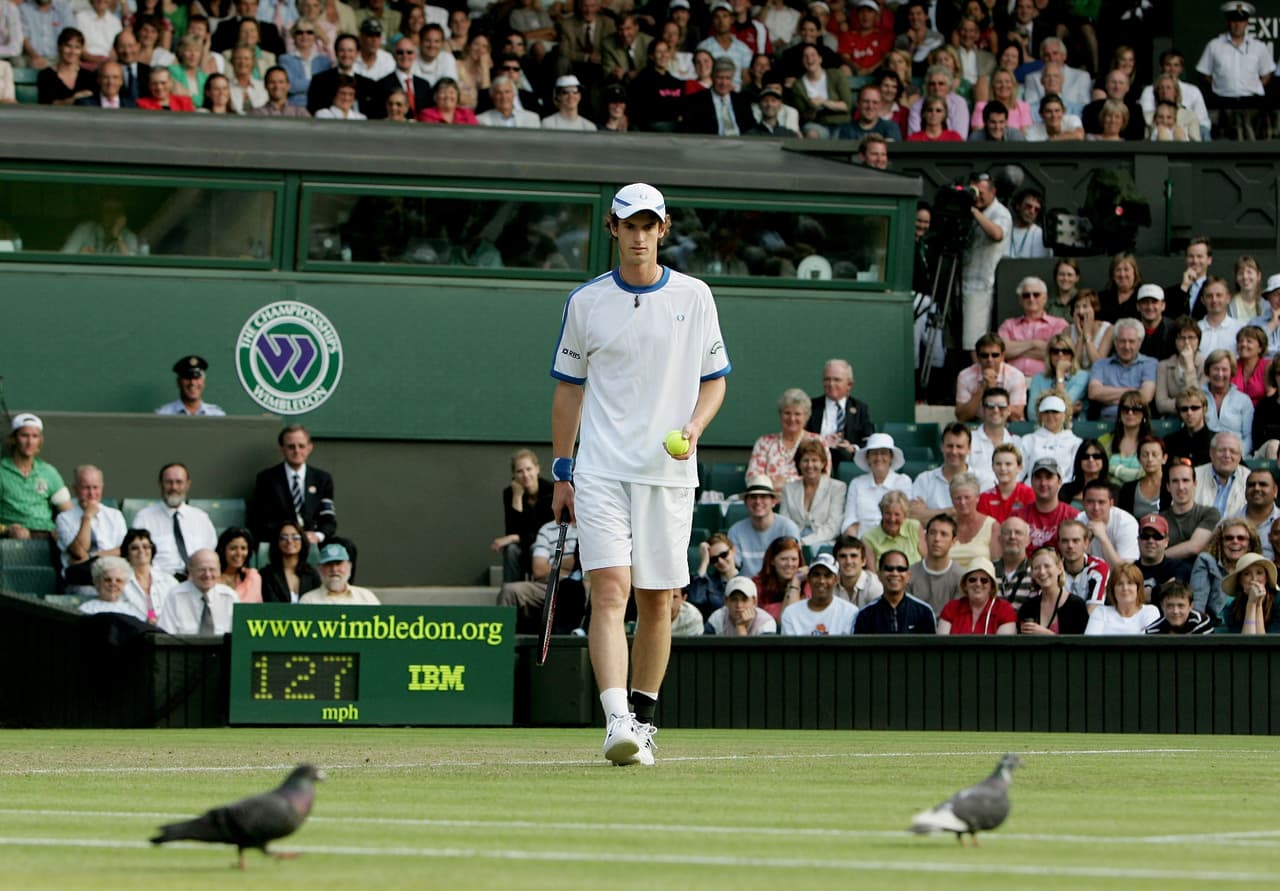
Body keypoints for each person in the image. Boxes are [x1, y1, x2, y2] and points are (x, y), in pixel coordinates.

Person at [550, 182, 729, 767]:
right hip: (600, 471)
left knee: (657, 602)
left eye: (648, 225)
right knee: (609, 592)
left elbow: (715, 380)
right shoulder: (585, 303)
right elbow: (567, 394)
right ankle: (616, 721)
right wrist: (562, 471)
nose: (638, 235)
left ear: (663, 229)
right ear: (613, 230)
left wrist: (696, 428)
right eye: (629, 225)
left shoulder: (696, 296)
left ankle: (644, 720)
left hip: (668, 475)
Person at [1196, 1, 1273, 141]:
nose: (1237, 25)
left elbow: (1267, 73)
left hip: (1252, 102)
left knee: (1255, 143)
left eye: (1241, 21)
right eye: (1234, 20)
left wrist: (1256, 86)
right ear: (1228, 22)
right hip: (1223, 101)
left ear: (1246, 23)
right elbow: (1204, 72)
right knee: (1224, 143)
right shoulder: (1214, 45)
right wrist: (1218, 86)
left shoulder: (1259, 46)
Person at [131, 463, 218, 577]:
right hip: (159, 583)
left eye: (179, 482)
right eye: (168, 482)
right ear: (160, 484)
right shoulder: (144, 518)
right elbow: (136, 557)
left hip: (196, 581)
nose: (174, 487)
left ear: (188, 485)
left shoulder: (201, 519)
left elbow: (210, 555)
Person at [497, 517, 580, 634]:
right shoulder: (548, 529)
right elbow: (539, 570)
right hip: (548, 585)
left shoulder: (590, 527)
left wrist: (555, 563)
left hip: (580, 586)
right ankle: (502, 644)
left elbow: (582, 563)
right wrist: (569, 563)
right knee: (509, 590)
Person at [958, 174, 1011, 353]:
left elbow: (997, 234)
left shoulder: (1000, 212)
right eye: (973, 192)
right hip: (960, 282)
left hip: (981, 286)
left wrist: (974, 212)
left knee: (974, 342)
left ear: (993, 192)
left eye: (981, 193)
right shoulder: (967, 210)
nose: (977, 197)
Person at [54, 464, 127, 590]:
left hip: (113, 577)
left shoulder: (115, 516)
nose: (91, 493)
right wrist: (87, 517)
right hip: (82, 580)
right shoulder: (64, 519)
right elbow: (79, 552)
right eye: (86, 488)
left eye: (95, 487)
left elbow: (124, 550)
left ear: (102, 488)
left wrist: (93, 556)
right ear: (75, 489)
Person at [1, 413, 71, 540]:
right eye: (24, 436)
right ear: (14, 439)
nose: (29, 442)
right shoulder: (2, 471)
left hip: (47, 533)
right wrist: (6, 529)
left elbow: (68, 512)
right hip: (14, 538)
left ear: (40, 441)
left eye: (35, 436)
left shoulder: (48, 472)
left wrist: (62, 530)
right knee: (21, 536)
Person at [747, 388, 827, 491]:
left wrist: (783, 483)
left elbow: (823, 478)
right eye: (787, 413)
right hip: (768, 503)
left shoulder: (818, 442)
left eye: (797, 414)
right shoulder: (764, 443)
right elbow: (753, 478)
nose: (792, 419)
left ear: (806, 416)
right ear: (780, 414)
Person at [805, 358, 874, 473]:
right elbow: (800, 436)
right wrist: (822, 441)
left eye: (837, 380)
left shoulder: (860, 408)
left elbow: (869, 438)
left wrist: (852, 448)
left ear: (849, 384)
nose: (831, 384)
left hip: (847, 461)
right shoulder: (811, 406)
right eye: (827, 379)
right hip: (815, 460)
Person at [728, 475, 801, 578]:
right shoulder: (735, 531)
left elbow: (793, 567)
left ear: (773, 502)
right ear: (745, 502)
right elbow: (733, 567)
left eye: (763, 496)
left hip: (778, 587)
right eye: (753, 497)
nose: (758, 501)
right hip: (746, 589)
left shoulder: (788, 528)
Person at [780, 439, 846, 549]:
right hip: (794, 541)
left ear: (823, 463)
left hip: (823, 541)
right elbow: (784, 523)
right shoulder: (788, 489)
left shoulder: (837, 488)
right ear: (799, 464)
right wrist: (794, 542)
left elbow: (833, 527)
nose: (810, 465)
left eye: (814, 460)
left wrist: (804, 542)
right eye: (805, 460)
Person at [1190, 518, 1258, 623]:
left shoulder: (1258, 566)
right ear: (1220, 542)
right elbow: (1198, 605)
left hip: (1248, 628)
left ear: (1250, 544)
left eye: (1241, 538)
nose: (1235, 541)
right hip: (1214, 629)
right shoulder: (1206, 561)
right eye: (1228, 538)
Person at [999, 276, 1068, 380]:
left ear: (1045, 298)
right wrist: (1034, 343)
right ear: (1020, 300)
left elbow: (1057, 354)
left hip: (1046, 381)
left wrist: (1016, 351)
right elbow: (1001, 352)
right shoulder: (1008, 325)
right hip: (1011, 381)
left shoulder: (1059, 324)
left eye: (1036, 295)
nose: (1031, 299)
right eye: (1026, 295)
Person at [1088, 318, 1156, 422]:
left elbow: (1146, 396)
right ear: (1115, 342)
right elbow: (1094, 392)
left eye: (1131, 341)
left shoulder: (1150, 363)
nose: (1126, 346)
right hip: (1107, 422)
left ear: (1140, 343)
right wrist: (1133, 391)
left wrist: (1109, 398)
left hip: (1138, 423)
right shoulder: (1100, 364)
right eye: (1122, 341)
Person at [853, 549, 937, 633]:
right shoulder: (865, 615)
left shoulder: (924, 612)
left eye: (901, 569)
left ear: (908, 576)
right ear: (879, 575)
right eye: (889, 568)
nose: (895, 573)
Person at [158, 549, 239, 634]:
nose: (207, 575)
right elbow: (166, 635)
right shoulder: (175, 596)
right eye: (202, 569)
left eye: (212, 569)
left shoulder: (230, 597)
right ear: (190, 571)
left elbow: (239, 635)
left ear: (219, 570)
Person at [908, 422, 974, 521]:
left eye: (959, 447)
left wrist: (928, 513)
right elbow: (913, 517)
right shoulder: (924, 480)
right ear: (942, 446)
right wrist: (951, 511)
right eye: (950, 446)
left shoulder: (983, 480)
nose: (954, 452)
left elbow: (977, 521)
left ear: (969, 449)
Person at [955, 333, 1027, 423]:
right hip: (977, 424)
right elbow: (962, 417)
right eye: (984, 355)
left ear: (1002, 356)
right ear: (977, 357)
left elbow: (1016, 417)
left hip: (1007, 425)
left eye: (995, 355)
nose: (990, 359)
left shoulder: (1016, 376)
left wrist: (994, 390)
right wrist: (981, 389)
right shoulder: (965, 376)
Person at [779, 553, 857, 635]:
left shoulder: (849, 612)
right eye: (816, 575)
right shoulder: (791, 613)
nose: (822, 581)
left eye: (827, 576)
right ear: (808, 579)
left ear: (836, 580)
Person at [1018, 546, 1089, 635]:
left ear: (1059, 568)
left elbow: (1080, 646)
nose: (1042, 572)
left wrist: (1047, 635)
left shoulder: (1076, 606)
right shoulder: (1028, 608)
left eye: (1047, 566)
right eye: (1036, 568)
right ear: (1032, 573)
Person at [1161, 456, 1220, 562]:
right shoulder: (1160, 520)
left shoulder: (1209, 513)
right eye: (1175, 481)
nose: (1181, 487)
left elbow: (1194, 547)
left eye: (1185, 480)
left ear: (1195, 484)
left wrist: (1158, 557)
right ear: (1168, 487)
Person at [938, 557, 1017, 635]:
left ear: (991, 586)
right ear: (965, 585)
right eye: (972, 580)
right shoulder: (951, 608)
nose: (978, 584)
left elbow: (1003, 646)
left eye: (984, 580)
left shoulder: (1004, 610)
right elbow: (942, 644)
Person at [1013, 457, 1077, 553]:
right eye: (1038, 477)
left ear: (1059, 482)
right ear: (1031, 482)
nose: (1043, 483)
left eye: (1049, 477)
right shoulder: (1018, 516)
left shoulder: (1073, 516)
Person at [907, 513, 964, 615]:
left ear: (953, 541)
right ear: (925, 537)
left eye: (944, 534)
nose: (937, 539)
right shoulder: (909, 574)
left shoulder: (961, 577)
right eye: (932, 533)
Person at [1018, 394, 1081, 485]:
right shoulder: (1028, 440)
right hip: (1032, 492)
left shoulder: (1076, 442)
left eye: (1055, 412)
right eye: (1046, 412)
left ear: (1064, 414)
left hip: (1063, 493)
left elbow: (1073, 474)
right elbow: (1019, 472)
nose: (1050, 416)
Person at [967, 387, 1022, 491]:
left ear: (1009, 410)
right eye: (990, 406)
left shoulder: (1017, 442)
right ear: (983, 410)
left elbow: (1020, 476)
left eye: (1001, 407)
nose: (996, 410)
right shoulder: (968, 440)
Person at [1085, 562, 1160, 634]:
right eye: (1119, 584)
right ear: (1112, 589)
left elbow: (1152, 643)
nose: (1125, 588)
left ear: (1138, 588)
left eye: (1130, 583)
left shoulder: (1150, 612)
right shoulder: (1100, 612)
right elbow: (1090, 644)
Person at [1078, 478, 1140, 565]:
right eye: (1090, 502)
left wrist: (1103, 538)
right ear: (1083, 503)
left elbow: (1124, 571)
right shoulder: (1079, 521)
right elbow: (1076, 564)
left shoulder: (1126, 523)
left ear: (1111, 503)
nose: (1096, 508)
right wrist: (1087, 539)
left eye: (1101, 502)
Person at [1027, 335, 1089, 422]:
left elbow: (1062, 406)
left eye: (1065, 351)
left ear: (1072, 355)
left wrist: (1060, 375)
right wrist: (1071, 410)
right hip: (1042, 429)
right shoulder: (1038, 378)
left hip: (1074, 428)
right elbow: (1032, 413)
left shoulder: (1082, 376)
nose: (1060, 354)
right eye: (1055, 351)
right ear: (1049, 355)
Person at [120, 528, 174, 624]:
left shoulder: (168, 580)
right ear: (127, 553)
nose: (141, 551)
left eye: (146, 547)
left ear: (152, 550)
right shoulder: (120, 581)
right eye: (134, 548)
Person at [1155, 319, 1207, 418]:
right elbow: (1161, 404)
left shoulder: (1205, 364)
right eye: (1181, 338)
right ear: (1175, 341)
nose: (1186, 342)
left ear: (1198, 340)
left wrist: (1189, 365)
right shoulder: (1164, 366)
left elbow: (1199, 401)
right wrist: (1186, 405)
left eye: (1191, 337)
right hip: (1171, 420)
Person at [1218, 551, 1280, 634]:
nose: (1254, 579)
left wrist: (1258, 605)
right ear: (1240, 581)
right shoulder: (1232, 609)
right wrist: (1251, 604)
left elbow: (1264, 643)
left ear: (1266, 578)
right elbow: (1247, 642)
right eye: (1247, 574)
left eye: (1259, 573)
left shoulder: (1278, 601)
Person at [301, 541, 380, 604]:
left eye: (338, 563)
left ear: (349, 566)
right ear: (319, 569)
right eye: (328, 564)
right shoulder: (308, 601)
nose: (334, 569)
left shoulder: (367, 597)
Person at [259, 521, 320, 604]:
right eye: (284, 537)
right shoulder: (266, 575)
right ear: (277, 542)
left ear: (302, 541)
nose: (289, 541)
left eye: (295, 537)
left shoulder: (312, 574)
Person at [1100, 391, 1152, 487]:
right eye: (1125, 409)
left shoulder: (1152, 443)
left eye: (1136, 409)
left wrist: (1115, 470)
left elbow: (1149, 473)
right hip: (1109, 492)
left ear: (1144, 414)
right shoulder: (1104, 440)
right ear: (1120, 413)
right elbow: (1099, 467)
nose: (1130, 413)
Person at [1196, 431, 1250, 522]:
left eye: (1233, 451)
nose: (1227, 455)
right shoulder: (1195, 475)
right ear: (1211, 453)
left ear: (1240, 456)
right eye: (1221, 450)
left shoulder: (1250, 479)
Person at [752, 535, 807, 622]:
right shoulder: (757, 585)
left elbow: (794, 620)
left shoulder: (807, 584)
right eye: (784, 559)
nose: (789, 564)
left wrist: (796, 581)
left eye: (794, 559)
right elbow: (785, 621)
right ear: (772, 561)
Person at [1056, 518, 1109, 608]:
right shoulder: (1052, 569)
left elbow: (1093, 610)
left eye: (1075, 541)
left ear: (1086, 543)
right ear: (1059, 544)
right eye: (1065, 541)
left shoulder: (1098, 567)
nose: (1070, 546)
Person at [978, 443, 1034, 523]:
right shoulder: (984, 498)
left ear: (1019, 467)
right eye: (998, 464)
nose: (1003, 468)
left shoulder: (1029, 494)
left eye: (1008, 464)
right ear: (992, 467)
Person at [687, 532, 738, 619]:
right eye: (714, 559)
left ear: (733, 550)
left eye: (723, 555)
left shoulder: (748, 577)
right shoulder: (709, 582)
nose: (720, 561)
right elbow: (695, 601)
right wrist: (704, 562)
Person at [1163, 236, 1214, 321]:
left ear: (1209, 260)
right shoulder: (1171, 292)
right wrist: (1184, 287)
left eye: (1199, 256)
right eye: (1191, 256)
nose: (1195, 261)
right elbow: (1170, 317)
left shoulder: (1215, 290)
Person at [155, 355, 225, 416]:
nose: (192, 383)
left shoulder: (216, 415)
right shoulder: (164, 415)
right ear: (178, 382)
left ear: (203, 382)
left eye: (197, 377)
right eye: (188, 377)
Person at [705, 575, 776, 635]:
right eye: (734, 599)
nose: (739, 605)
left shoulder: (766, 623)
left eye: (744, 600)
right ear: (726, 601)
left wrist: (740, 626)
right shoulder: (717, 619)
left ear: (754, 601)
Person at [1117, 436, 1168, 518]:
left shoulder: (1172, 486)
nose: (1150, 459)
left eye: (1154, 455)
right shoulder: (1128, 489)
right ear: (1139, 459)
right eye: (1145, 455)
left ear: (1164, 458)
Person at [1235, 467, 1280, 557]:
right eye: (1251, 485)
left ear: (1275, 491)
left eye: (1263, 484)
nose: (1256, 488)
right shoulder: (1229, 522)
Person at [1164, 387, 1214, 467]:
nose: (1189, 413)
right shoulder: (1169, 442)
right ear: (1178, 412)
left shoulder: (1217, 441)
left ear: (1204, 409)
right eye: (1184, 409)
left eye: (1195, 408)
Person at [1144, 579, 1213, 634]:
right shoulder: (1152, 631)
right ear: (1162, 606)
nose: (1175, 611)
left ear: (1190, 606)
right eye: (1170, 606)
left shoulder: (1201, 623)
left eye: (1181, 606)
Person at [993, 516, 1036, 605]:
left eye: (1018, 533)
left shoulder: (1036, 572)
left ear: (1028, 540)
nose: (1012, 537)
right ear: (999, 539)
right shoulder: (988, 571)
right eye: (1007, 532)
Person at [1068, 289, 1113, 372]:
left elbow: (1099, 365)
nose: (1081, 311)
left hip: (1098, 379)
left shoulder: (1108, 329)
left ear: (1094, 309)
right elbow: (1072, 366)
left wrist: (1087, 336)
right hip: (1076, 377)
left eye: (1085, 306)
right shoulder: (1067, 331)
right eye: (1077, 307)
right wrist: (1081, 337)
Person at [832, 533, 882, 606]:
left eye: (853, 556)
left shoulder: (874, 586)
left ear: (863, 561)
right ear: (836, 561)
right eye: (843, 556)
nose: (848, 561)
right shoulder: (829, 583)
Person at [1198, 279, 1244, 357]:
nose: (1214, 300)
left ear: (1228, 298)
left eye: (1219, 295)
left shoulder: (1240, 328)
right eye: (1209, 296)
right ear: (1203, 300)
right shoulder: (1195, 329)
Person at [215, 526, 261, 603]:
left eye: (243, 548)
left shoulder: (252, 577)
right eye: (233, 548)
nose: (239, 553)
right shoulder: (211, 576)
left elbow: (257, 610)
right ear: (222, 550)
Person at [1097, 253, 1142, 325]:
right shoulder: (1102, 298)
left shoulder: (1143, 297)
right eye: (1118, 270)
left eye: (1126, 269)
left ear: (1135, 272)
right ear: (1112, 274)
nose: (1122, 274)